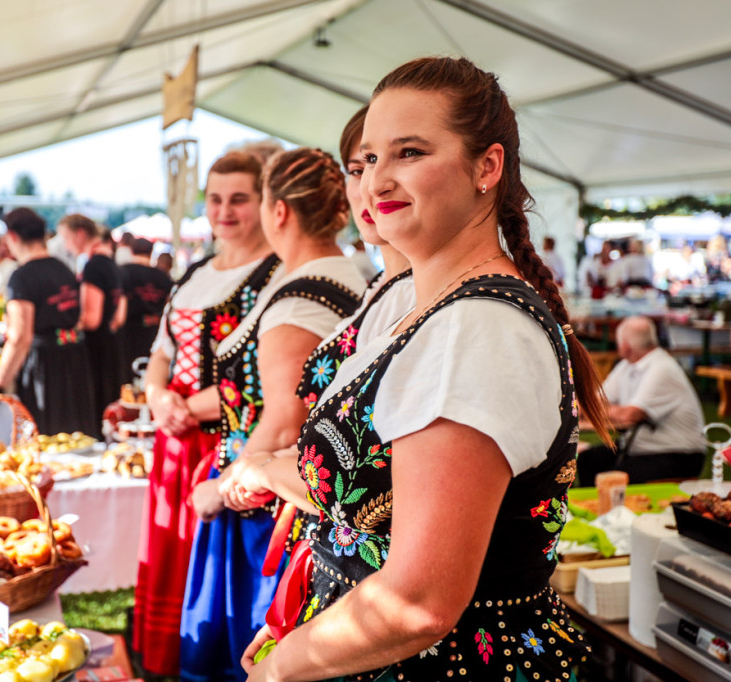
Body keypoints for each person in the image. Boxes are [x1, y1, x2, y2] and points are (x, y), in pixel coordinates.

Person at [241, 56, 611, 682]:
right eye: (370, 160)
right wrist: (299, 626)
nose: (377, 181)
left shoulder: (479, 329)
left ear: (486, 167)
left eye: (409, 152)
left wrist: (280, 669)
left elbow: (417, 604)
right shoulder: (432, 304)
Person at [182, 147, 366, 681]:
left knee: (251, 653)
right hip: (279, 493)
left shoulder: (300, 299)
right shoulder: (337, 276)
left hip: (267, 511)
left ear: (278, 211)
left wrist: (222, 487)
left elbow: (285, 418)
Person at [228, 105, 416, 556]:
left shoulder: (423, 300)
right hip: (325, 539)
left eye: (408, 155)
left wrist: (258, 470)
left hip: (358, 553)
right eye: (360, 167)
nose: (373, 184)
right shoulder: (376, 288)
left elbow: (376, 475)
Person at [133, 152, 280, 678]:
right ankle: (167, 657)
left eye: (239, 198)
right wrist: (156, 396)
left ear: (265, 201)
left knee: (214, 571)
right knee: (173, 550)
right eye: (215, 199)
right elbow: (161, 353)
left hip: (230, 447)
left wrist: (186, 406)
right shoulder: (194, 272)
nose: (224, 210)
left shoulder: (276, 276)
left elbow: (272, 382)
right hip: (174, 445)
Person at [0, 208, 97, 436]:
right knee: (76, 435)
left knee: (48, 435)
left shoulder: (22, 277)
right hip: (76, 357)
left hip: (45, 367)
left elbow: (20, 337)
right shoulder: (63, 269)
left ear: (13, 237)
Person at [576, 316, 706, 486]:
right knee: (588, 460)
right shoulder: (627, 365)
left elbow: (632, 414)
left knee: (611, 477)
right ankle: (596, 508)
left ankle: (609, 509)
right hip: (641, 447)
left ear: (625, 345)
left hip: (678, 454)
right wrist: (589, 407)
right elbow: (595, 400)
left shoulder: (662, 368)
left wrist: (594, 409)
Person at [57, 214, 127, 426]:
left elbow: (91, 319)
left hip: (95, 350)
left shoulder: (94, 266)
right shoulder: (111, 263)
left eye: (67, 238)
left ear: (80, 234)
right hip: (111, 347)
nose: (66, 246)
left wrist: (66, 325)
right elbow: (120, 314)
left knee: (98, 411)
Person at [119, 237, 173, 375]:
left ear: (131, 251)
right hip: (155, 331)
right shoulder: (162, 276)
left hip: (128, 332)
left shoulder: (122, 272)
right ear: (151, 252)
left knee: (129, 375)